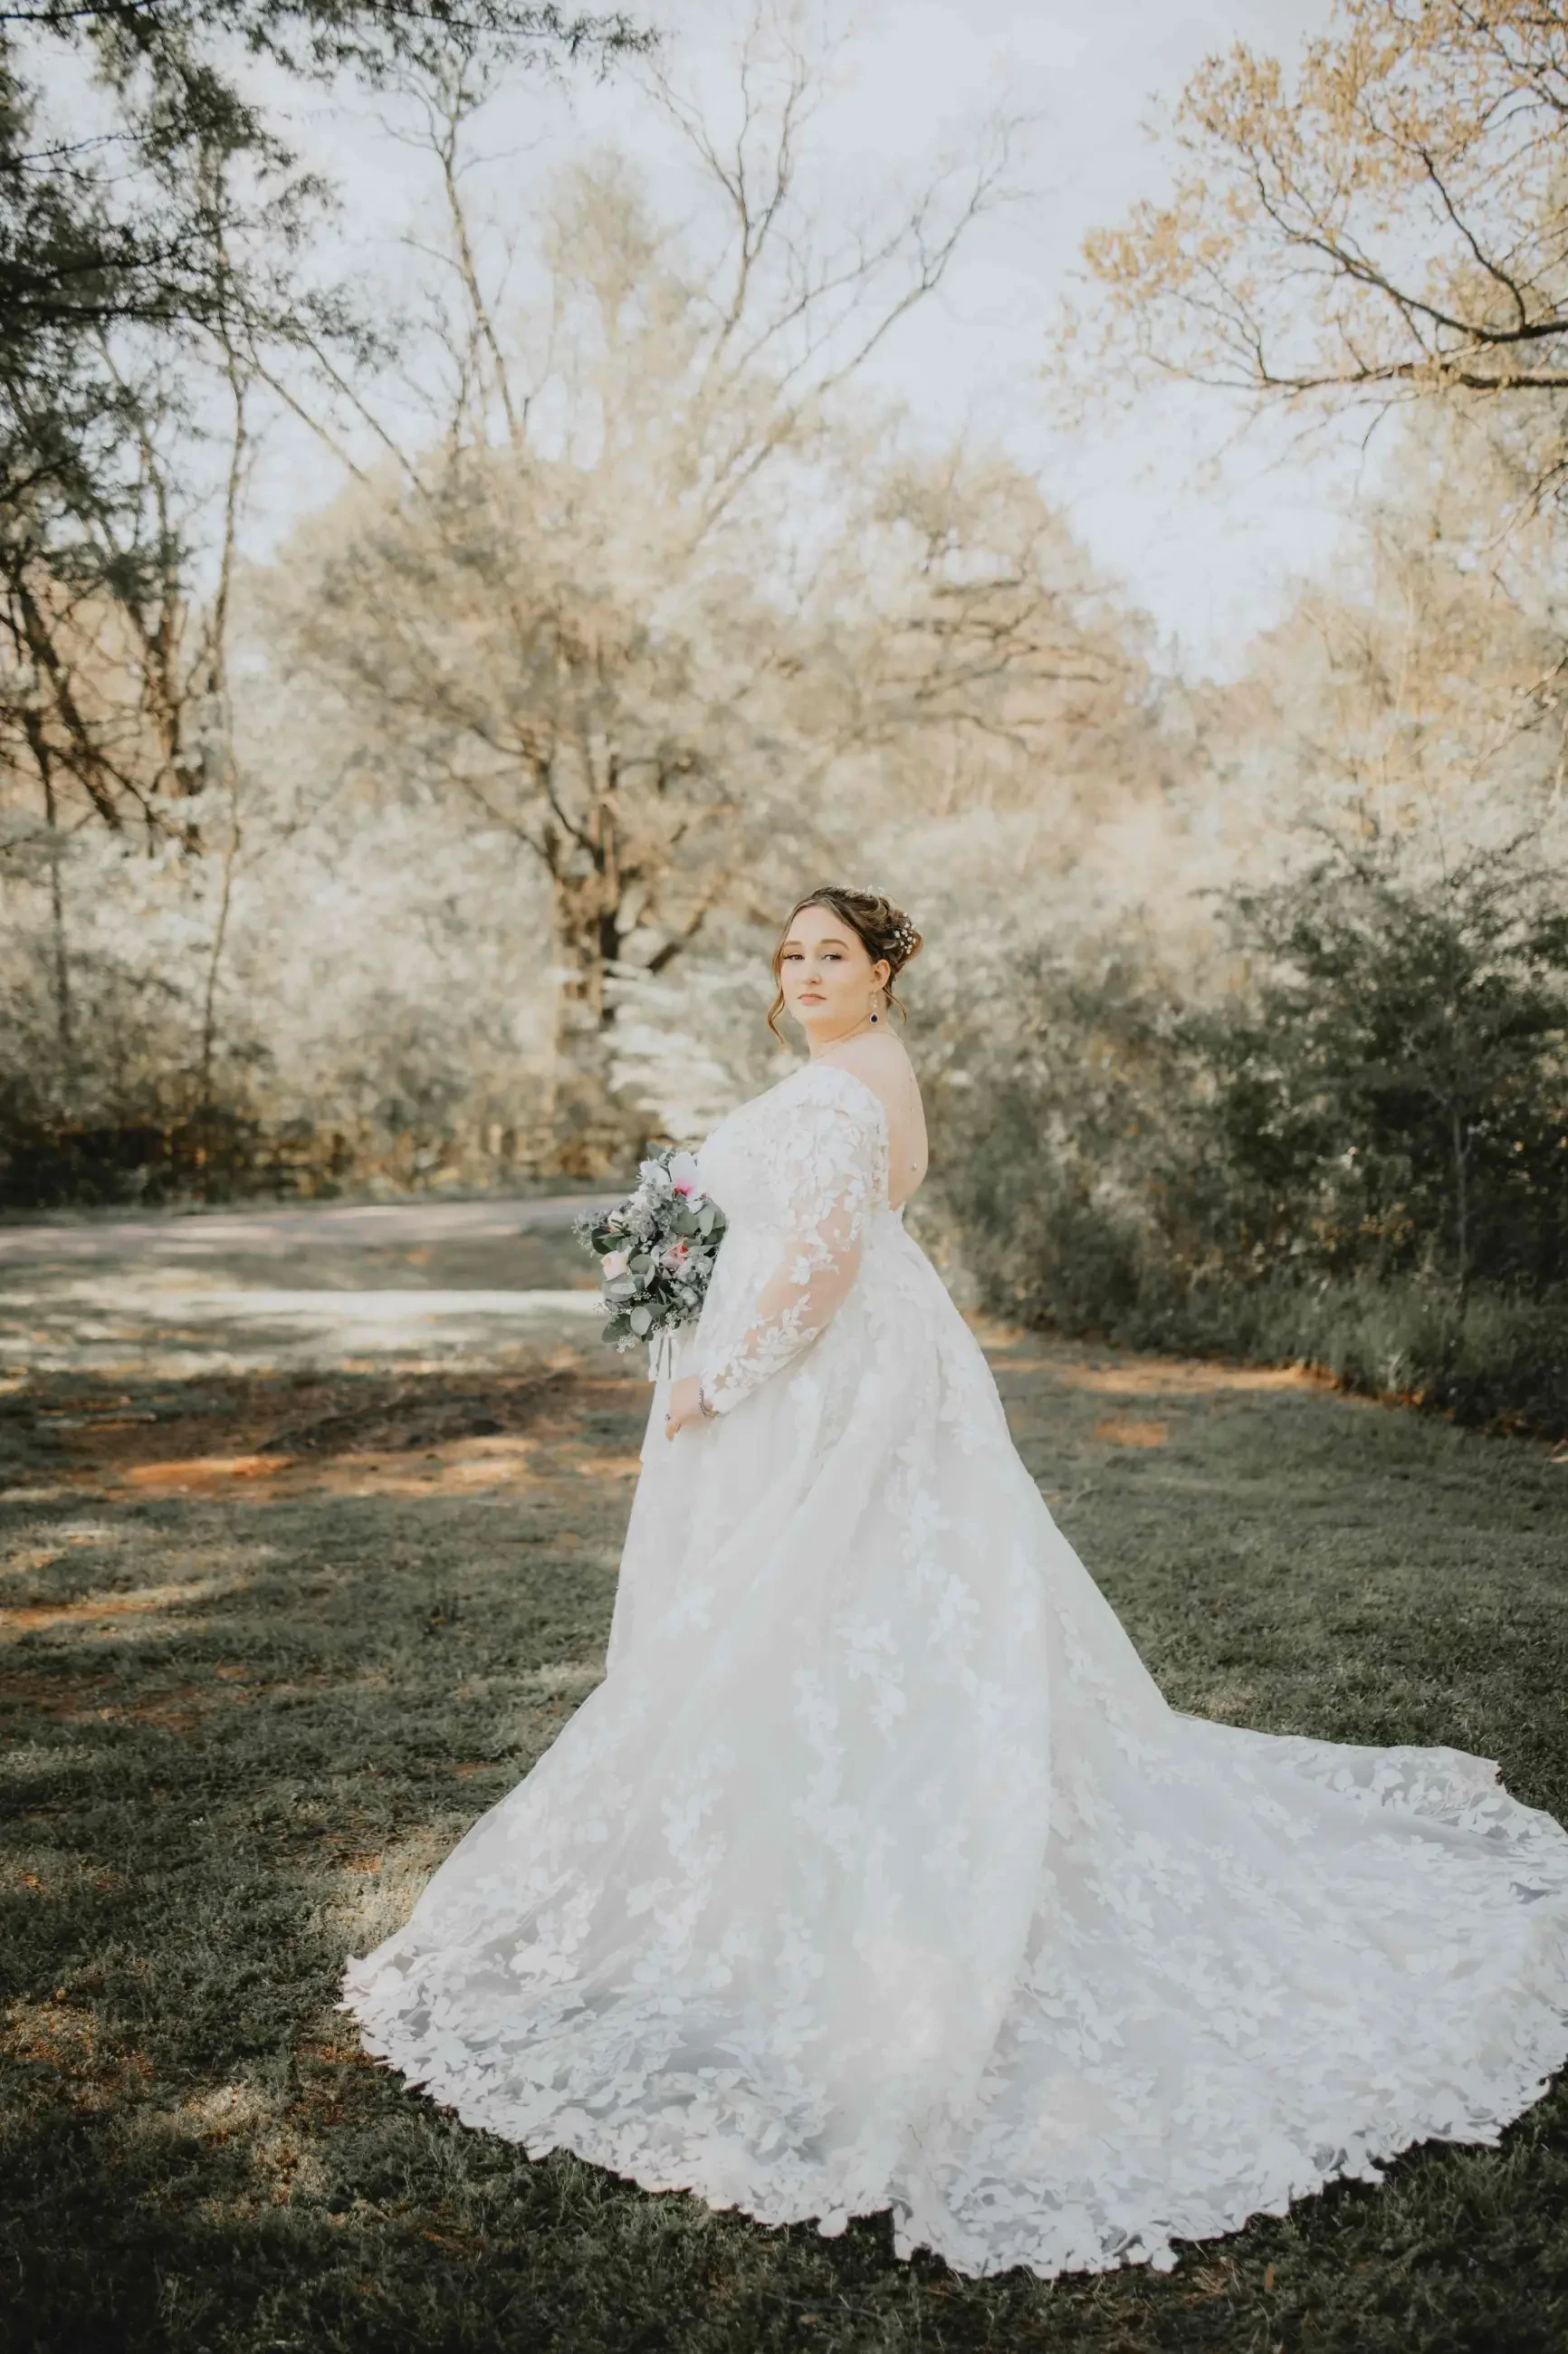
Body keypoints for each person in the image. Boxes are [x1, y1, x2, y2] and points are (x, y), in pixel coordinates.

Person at [343, 884, 1568, 2282]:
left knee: (813, 1615)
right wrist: (685, 1265)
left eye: (834, 956)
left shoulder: (855, 1088)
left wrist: (716, 1383)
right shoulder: (848, 1073)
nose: (808, 973)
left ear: (883, 972)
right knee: (816, 1626)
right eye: (792, 956)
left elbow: (816, 1269)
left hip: (817, 1396)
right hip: (856, 1380)